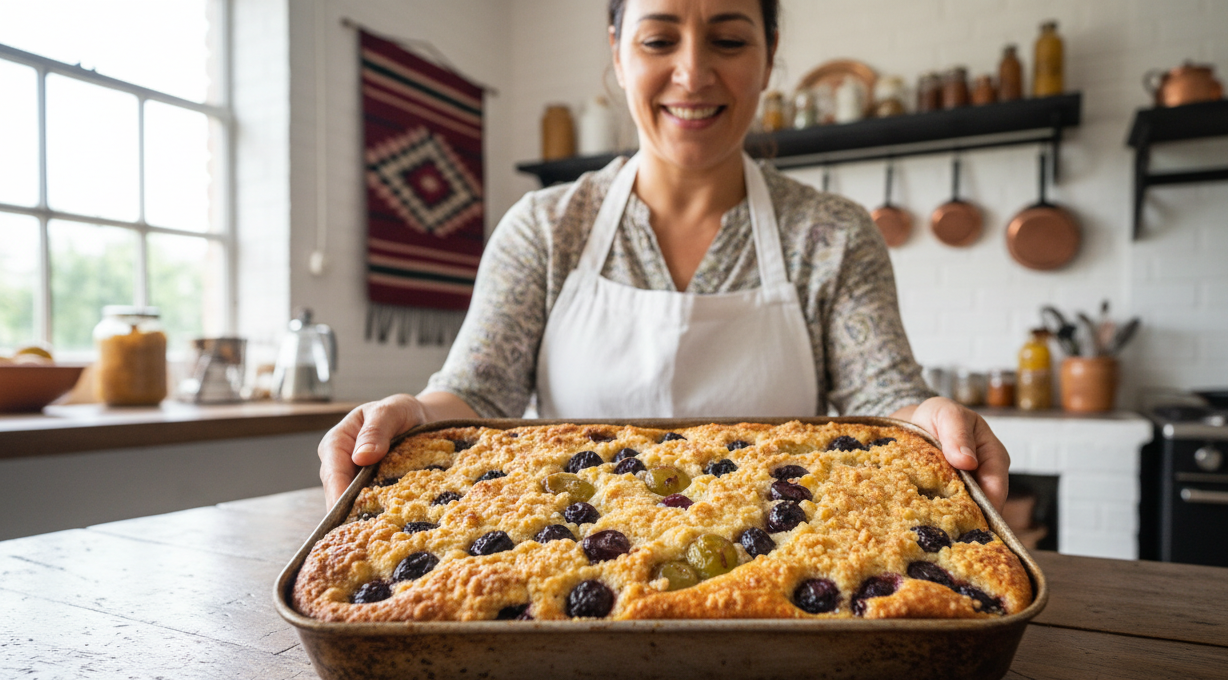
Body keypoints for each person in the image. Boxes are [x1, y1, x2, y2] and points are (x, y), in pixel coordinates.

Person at [319, 0, 1009, 512]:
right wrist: (411, 414)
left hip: (773, 563)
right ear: (618, 54)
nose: (693, 73)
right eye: (658, 39)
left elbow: (885, 403)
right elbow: (475, 395)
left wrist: (932, 422)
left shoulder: (833, 234)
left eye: (730, 40)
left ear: (769, 56)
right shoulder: (546, 227)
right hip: (567, 559)